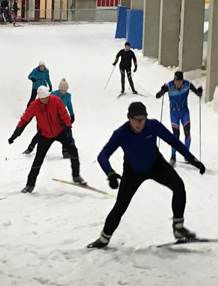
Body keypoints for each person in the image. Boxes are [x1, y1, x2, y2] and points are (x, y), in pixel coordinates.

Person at [87, 102, 206, 249]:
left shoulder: (152, 125)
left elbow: (173, 141)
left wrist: (192, 159)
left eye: (142, 119)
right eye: (136, 120)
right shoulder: (121, 133)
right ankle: (104, 239)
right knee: (120, 205)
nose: (140, 124)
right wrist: (110, 173)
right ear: (129, 118)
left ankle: (179, 228)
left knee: (179, 186)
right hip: (133, 172)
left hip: (156, 165)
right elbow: (103, 156)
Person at [8, 86, 85, 193]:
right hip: (45, 135)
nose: (46, 99)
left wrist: (69, 132)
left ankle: (76, 176)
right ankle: (30, 185)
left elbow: (65, 116)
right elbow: (25, 120)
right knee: (38, 160)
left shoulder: (56, 101)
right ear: (39, 98)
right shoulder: (34, 105)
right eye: (43, 98)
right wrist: (15, 135)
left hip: (60, 132)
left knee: (73, 151)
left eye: (47, 97)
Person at [155, 71, 203, 166]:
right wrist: (161, 91)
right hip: (174, 113)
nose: (179, 83)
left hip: (185, 112)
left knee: (187, 134)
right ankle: (173, 156)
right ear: (174, 80)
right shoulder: (169, 85)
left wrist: (199, 92)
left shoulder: (187, 84)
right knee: (175, 136)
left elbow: (197, 93)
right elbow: (158, 95)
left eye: (180, 81)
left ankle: (187, 155)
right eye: (177, 81)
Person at [24, 78, 75, 158]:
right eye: (62, 90)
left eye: (65, 90)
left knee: (65, 134)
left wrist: (72, 115)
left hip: (60, 118)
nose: (64, 92)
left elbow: (69, 105)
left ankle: (65, 151)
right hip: (50, 117)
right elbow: (45, 104)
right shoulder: (53, 94)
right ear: (59, 89)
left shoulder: (68, 96)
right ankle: (30, 147)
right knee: (41, 134)